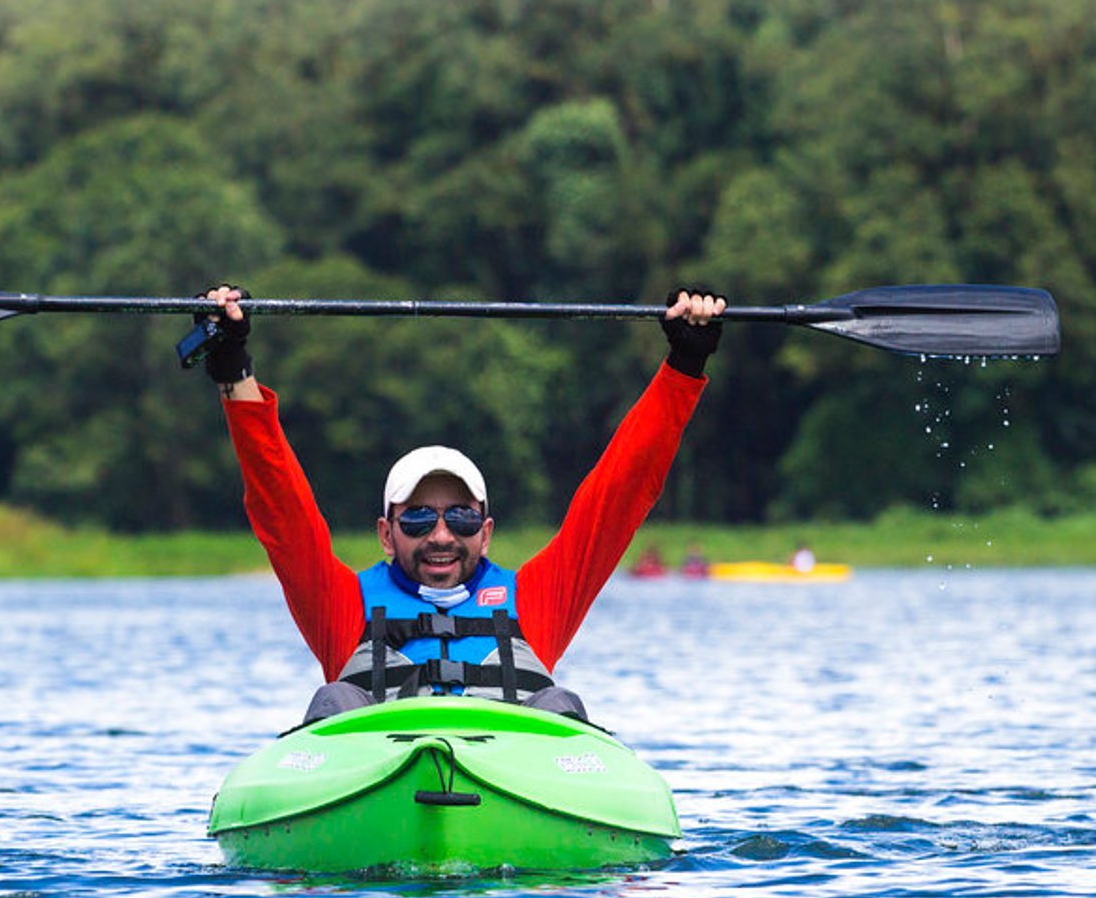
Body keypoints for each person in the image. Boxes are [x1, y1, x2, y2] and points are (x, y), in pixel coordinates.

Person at [195, 283, 727, 723]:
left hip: (509, 781)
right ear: (387, 533)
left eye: (462, 517)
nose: (443, 536)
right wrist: (233, 371)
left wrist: (685, 362)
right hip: (374, 782)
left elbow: (620, 493)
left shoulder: (539, 598)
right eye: (420, 517)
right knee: (334, 701)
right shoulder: (340, 605)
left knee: (559, 706)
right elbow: (280, 507)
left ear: (486, 531)